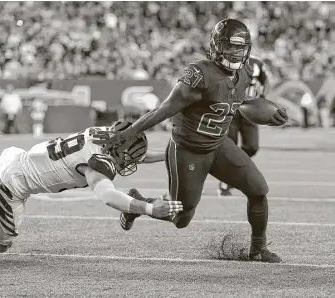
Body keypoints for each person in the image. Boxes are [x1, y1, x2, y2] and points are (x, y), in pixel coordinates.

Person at [92, 19, 288, 263]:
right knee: (181, 218)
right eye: (230, 47)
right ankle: (139, 203)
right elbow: (161, 111)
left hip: (219, 145)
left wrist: (268, 113)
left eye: (240, 47)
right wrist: (126, 134)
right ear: (217, 47)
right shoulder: (199, 75)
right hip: (188, 151)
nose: (236, 53)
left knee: (258, 190)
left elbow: (238, 102)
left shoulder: (245, 71)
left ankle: (257, 250)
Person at [0, 120, 182, 257]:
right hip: (12, 185)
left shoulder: (103, 135)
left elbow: (134, 153)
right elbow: (107, 195)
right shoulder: (97, 164)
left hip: (11, 159)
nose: (132, 163)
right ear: (119, 150)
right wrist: (147, 208)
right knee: (0, 243)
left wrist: (172, 154)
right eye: (130, 158)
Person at [218, 55, 270, 196]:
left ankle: (232, 171)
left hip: (250, 109)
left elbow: (266, 81)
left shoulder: (257, 62)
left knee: (252, 146)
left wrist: (263, 97)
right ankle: (226, 180)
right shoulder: (225, 60)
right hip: (231, 109)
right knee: (230, 146)